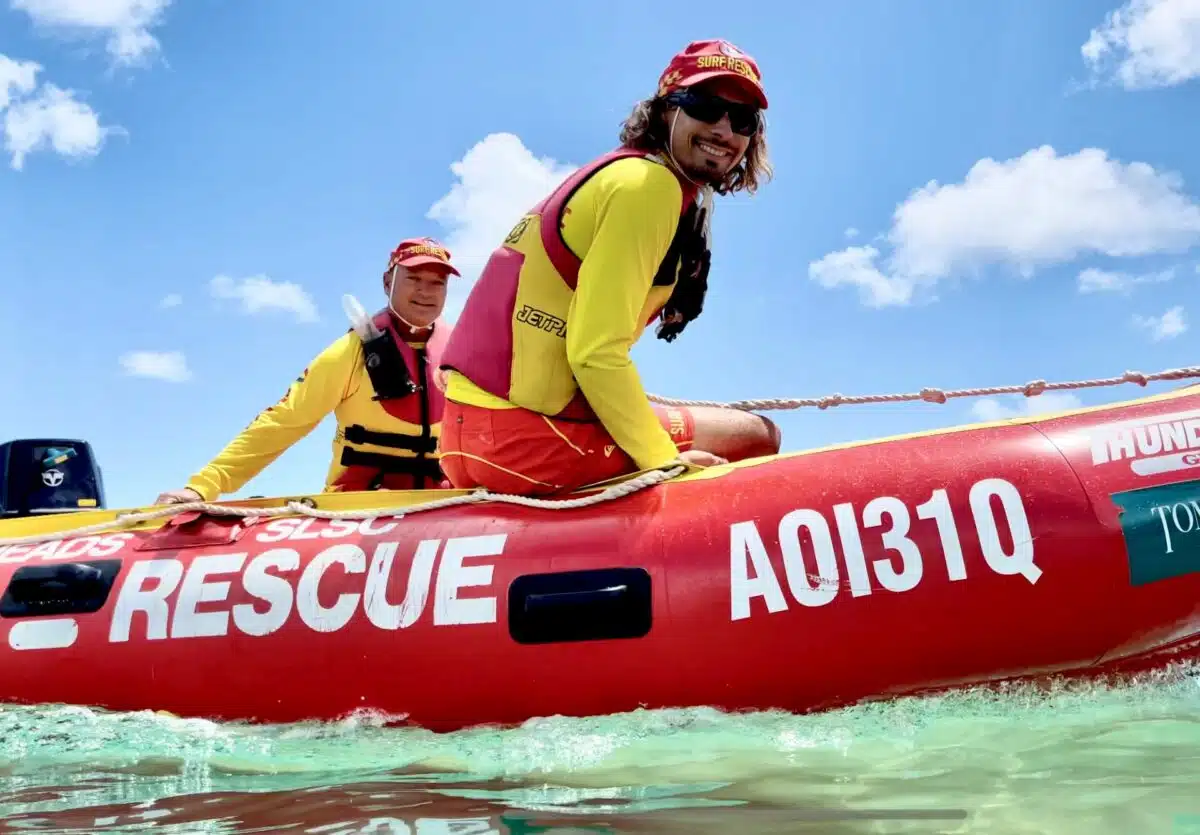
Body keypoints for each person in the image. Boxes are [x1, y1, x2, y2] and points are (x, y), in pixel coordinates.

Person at [435, 39, 782, 497]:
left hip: (464, 438)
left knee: (739, 426)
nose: (724, 129)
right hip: (523, 444)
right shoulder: (648, 187)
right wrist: (662, 463)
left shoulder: (621, 173)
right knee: (758, 435)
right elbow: (594, 352)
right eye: (703, 105)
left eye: (742, 120)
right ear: (664, 111)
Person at [154, 237, 460, 505]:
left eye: (437, 283)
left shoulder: (462, 354)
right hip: (361, 507)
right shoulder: (351, 352)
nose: (426, 291)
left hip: (441, 505)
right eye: (414, 278)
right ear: (387, 282)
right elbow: (284, 421)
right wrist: (203, 486)